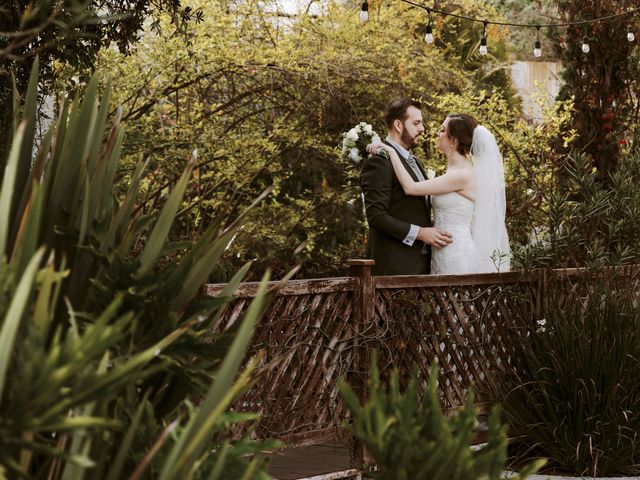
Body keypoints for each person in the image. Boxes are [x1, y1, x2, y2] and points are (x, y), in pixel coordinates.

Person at [367, 113, 510, 274]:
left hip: (456, 251)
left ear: (454, 140)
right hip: (441, 249)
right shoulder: (452, 172)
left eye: (442, 130)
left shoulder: (462, 175)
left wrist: (391, 152)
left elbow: (410, 188)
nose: (437, 133)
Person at [360, 99, 453, 275]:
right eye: (416, 123)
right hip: (394, 267)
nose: (422, 128)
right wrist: (420, 233)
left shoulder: (416, 162)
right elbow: (376, 216)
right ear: (398, 125)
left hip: (421, 265)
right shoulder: (379, 162)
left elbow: (413, 211)